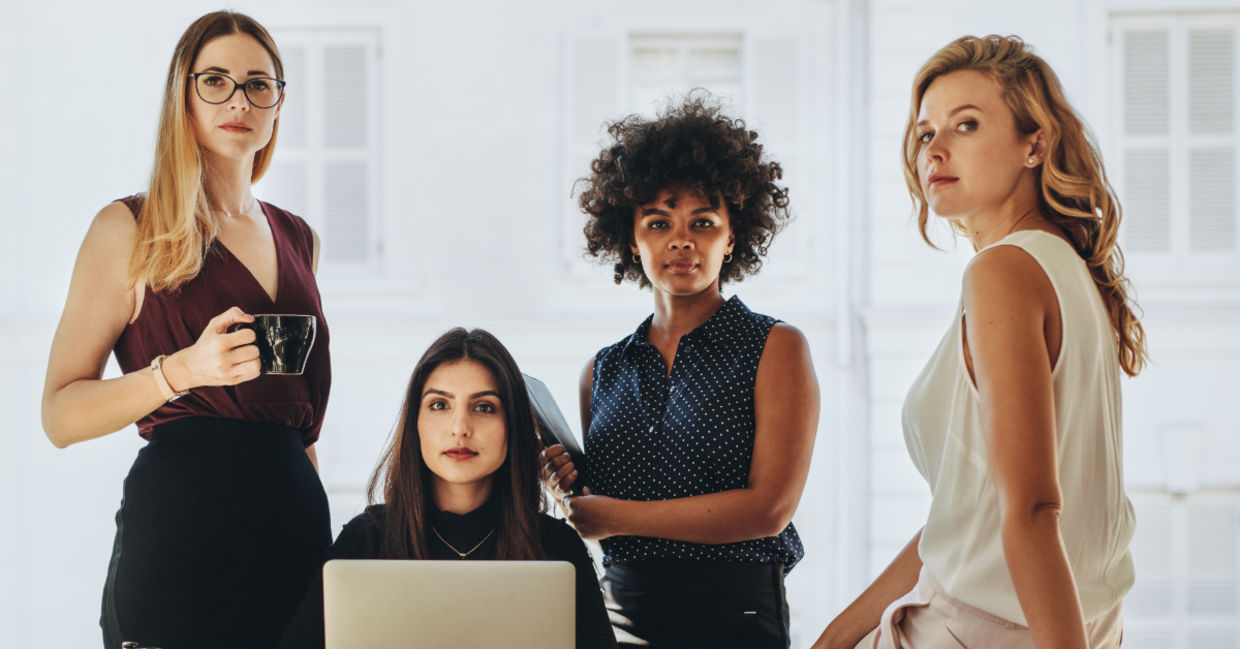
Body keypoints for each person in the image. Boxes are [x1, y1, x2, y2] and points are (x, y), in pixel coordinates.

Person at [811, 35, 1145, 649]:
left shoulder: (1003, 272)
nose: (935, 149)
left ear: (1034, 143)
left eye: (965, 125)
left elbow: (1034, 509)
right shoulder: (1068, 270)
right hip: (1079, 622)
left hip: (976, 631)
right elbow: (975, 518)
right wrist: (838, 635)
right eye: (924, 133)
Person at [39, 11, 331, 649]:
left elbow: (300, 423)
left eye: (259, 84)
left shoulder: (298, 237)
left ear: (280, 102)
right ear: (184, 94)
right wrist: (182, 372)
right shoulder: (127, 228)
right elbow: (59, 416)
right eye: (216, 81)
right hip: (182, 536)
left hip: (295, 533)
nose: (239, 100)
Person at [541, 93, 820, 649]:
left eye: (704, 221)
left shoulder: (775, 347)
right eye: (658, 221)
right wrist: (571, 487)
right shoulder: (601, 370)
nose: (682, 240)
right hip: (618, 616)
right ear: (630, 236)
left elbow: (769, 509)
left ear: (733, 234)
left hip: (735, 617)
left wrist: (618, 516)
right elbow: (604, 513)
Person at [277, 328, 617, 649]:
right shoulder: (365, 540)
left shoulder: (555, 546)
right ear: (416, 423)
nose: (460, 428)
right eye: (440, 405)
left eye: (484, 407)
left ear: (511, 425)